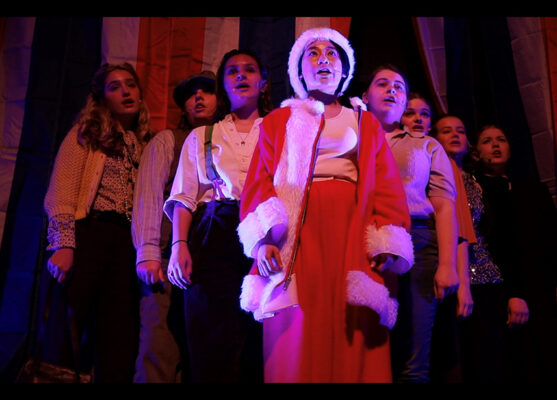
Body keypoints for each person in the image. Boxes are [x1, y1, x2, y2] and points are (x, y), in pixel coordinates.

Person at [236, 27, 413, 383]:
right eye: (312, 54)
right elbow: (258, 181)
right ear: (299, 72)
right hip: (297, 233)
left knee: (351, 322)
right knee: (301, 325)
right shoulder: (277, 122)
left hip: (352, 226)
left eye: (331, 54)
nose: (323, 60)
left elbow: (387, 184)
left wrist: (388, 238)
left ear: (343, 70)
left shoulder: (364, 122)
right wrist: (265, 238)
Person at [163, 49, 271, 383]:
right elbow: (184, 197)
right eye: (232, 71)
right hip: (215, 231)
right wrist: (179, 245)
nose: (241, 76)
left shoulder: (278, 132)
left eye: (250, 70)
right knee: (212, 335)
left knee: (258, 338)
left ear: (263, 82)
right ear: (223, 85)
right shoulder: (202, 136)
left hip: (265, 233)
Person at [43, 62, 152, 382]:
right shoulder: (86, 133)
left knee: (118, 329)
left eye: (130, 84)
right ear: (102, 98)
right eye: (115, 86)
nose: (125, 91)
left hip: (125, 244)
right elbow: (60, 191)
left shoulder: (145, 142)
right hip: (88, 234)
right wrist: (64, 243)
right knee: (68, 326)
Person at [362, 77, 465, 382]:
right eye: (382, 85)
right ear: (365, 96)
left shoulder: (426, 145)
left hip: (418, 241)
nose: (392, 91)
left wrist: (447, 264)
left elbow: (445, 206)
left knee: (414, 348)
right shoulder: (353, 138)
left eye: (399, 88)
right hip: (365, 240)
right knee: (370, 344)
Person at [131, 70, 218, 382]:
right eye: (191, 94)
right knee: (160, 346)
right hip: (167, 257)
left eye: (207, 91)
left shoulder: (229, 143)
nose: (198, 97)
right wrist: (148, 252)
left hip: (210, 261)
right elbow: (148, 197)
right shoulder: (168, 140)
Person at [469, 125, 557, 382]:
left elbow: (553, 244)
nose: (495, 145)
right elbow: (495, 245)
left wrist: (537, 289)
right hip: (498, 293)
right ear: (475, 152)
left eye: (501, 140)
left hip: (538, 293)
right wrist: (512, 293)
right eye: (487, 141)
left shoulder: (533, 190)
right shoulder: (477, 191)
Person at [432, 114, 508, 382]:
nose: (454, 135)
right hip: (453, 277)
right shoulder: (436, 175)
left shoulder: (478, 181)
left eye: (460, 131)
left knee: (491, 361)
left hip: (488, 279)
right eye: (446, 131)